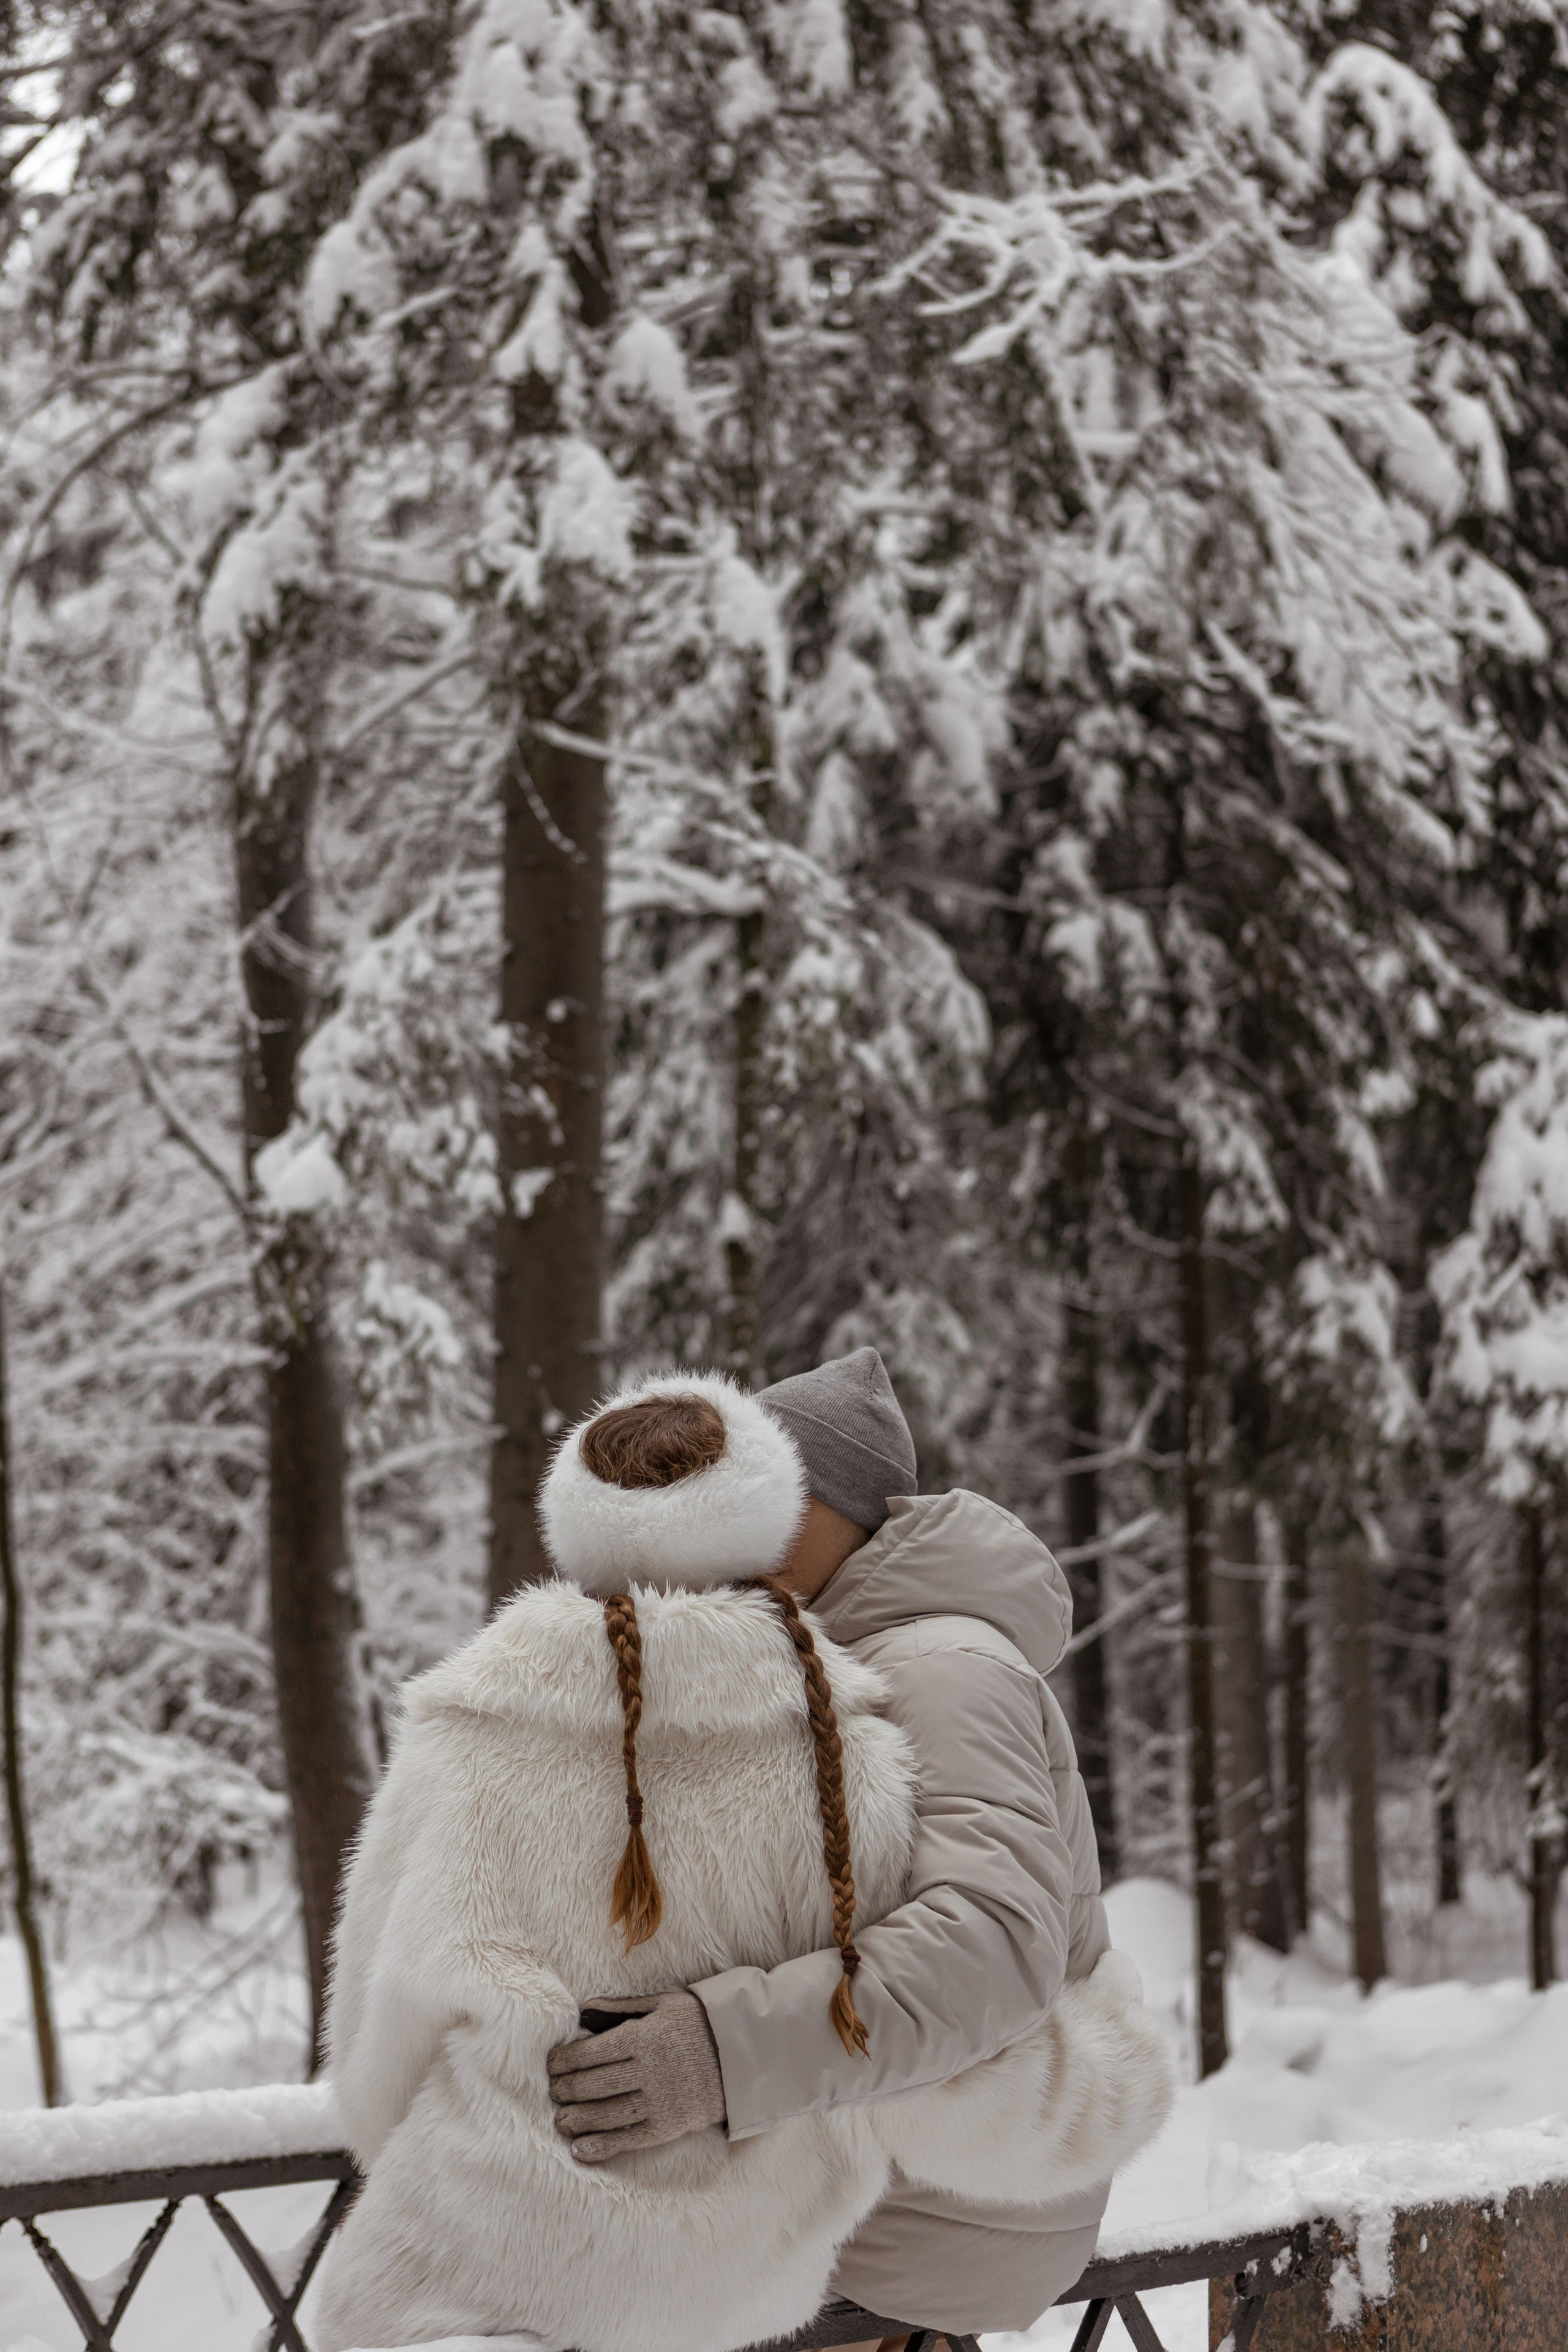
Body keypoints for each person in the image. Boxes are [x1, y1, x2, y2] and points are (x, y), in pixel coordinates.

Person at [315, 1361, 1168, 2352]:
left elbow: (987, 1948)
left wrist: (718, 2054)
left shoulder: (936, 1668)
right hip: (886, 2179)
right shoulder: (817, 1664)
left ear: (812, 1506)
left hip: (933, 2215)